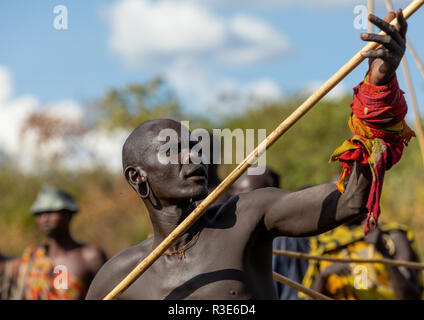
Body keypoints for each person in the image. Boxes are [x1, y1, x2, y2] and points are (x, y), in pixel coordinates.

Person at [86, 11, 410, 300]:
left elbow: (351, 200)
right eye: (174, 150)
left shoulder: (247, 216)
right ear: (137, 178)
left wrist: (377, 92)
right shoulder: (120, 279)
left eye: (194, 148)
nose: (193, 157)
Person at [3, 184, 107, 300]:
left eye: (51, 212)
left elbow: (111, 294)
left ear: (69, 214)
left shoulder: (90, 256)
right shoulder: (32, 256)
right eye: (39, 214)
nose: (44, 219)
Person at [230, 168, 310, 300]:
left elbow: (292, 294)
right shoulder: (235, 234)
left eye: (243, 191)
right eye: (235, 190)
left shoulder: (285, 239)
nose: (235, 198)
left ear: (269, 197)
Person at [305, 216, 423, 300]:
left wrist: (383, 251)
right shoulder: (323, 244)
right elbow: (309, 297)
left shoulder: (391, 236)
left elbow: (410, 296)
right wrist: (324, 275)